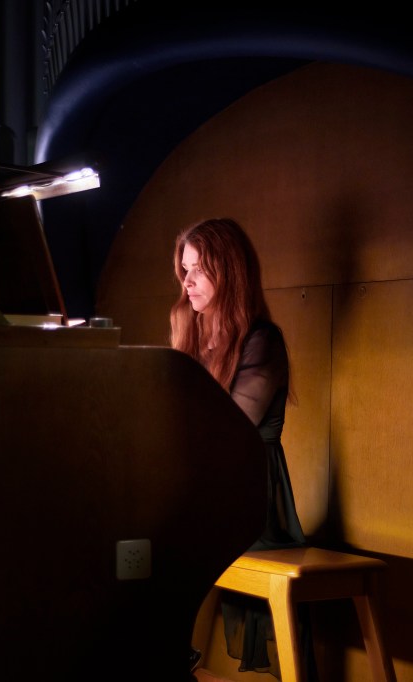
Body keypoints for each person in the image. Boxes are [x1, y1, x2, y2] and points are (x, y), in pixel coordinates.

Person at [171, 217, 316, 680]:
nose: (187, 281)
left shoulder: (262, 340)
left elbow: (226, 431)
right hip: (210, 490)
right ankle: (161, 655)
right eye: (185, 269)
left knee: (156, 540)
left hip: (252, 496)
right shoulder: (194, 335)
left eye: (199, 269)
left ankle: (164, 655)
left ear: (229, 271)